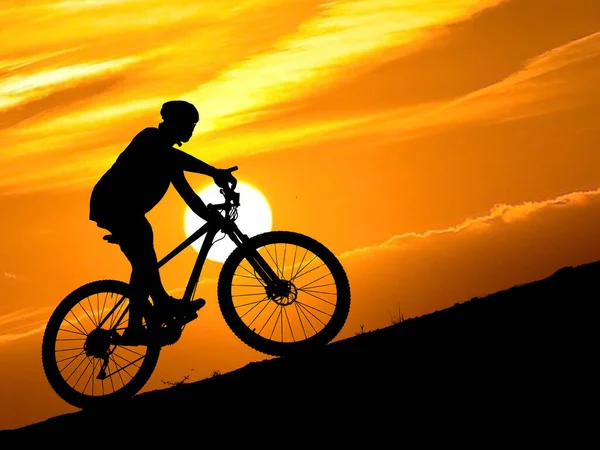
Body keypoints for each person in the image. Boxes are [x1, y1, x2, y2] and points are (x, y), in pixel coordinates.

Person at [89, 100, 236, 344]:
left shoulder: (169, 161)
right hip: (113, 205)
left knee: (144, 261)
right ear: (173, 122)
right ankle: (161, 305)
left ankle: (140, 323)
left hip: (126, 211)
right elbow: (175, 157)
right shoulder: (150, 139)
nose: (191, 129)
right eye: (188, 124)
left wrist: (212, 217)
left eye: (194, 125)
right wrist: (214, 172)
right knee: (145, 255)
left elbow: (190, 197)